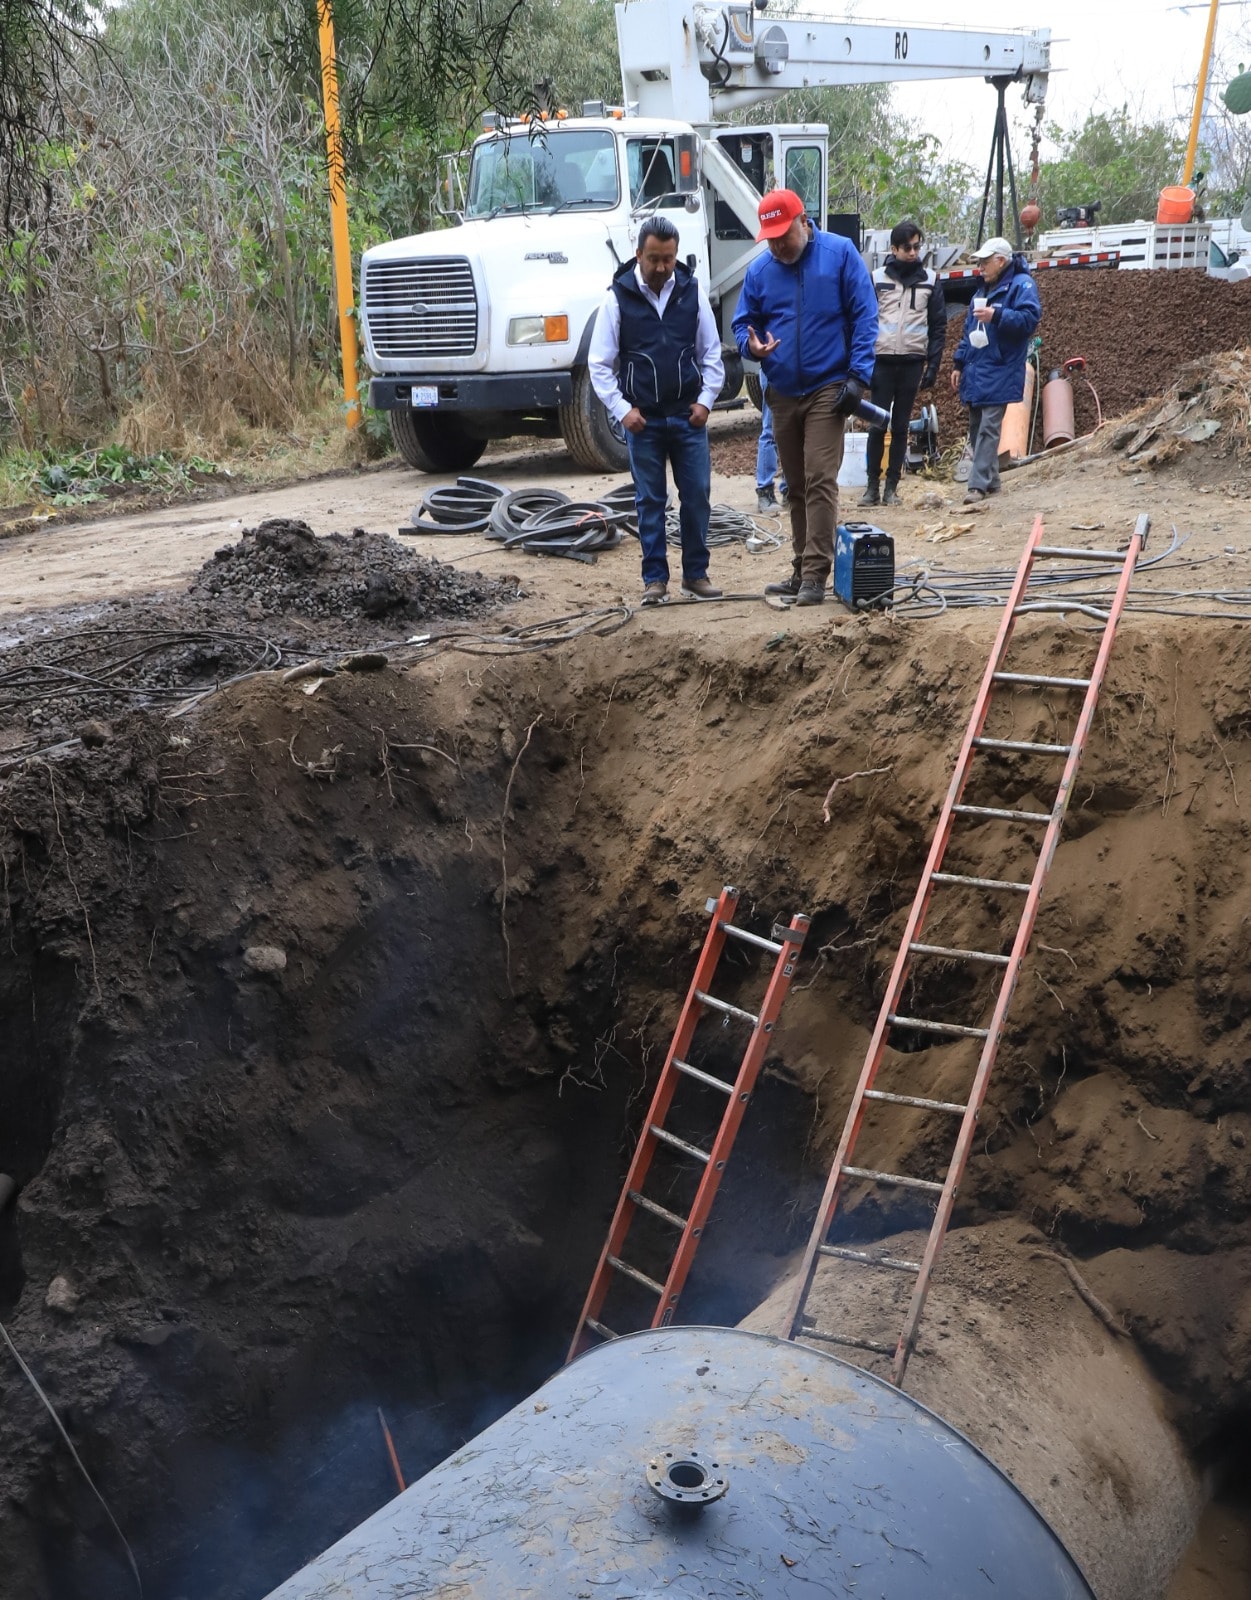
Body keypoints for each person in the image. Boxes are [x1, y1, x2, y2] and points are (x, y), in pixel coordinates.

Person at [732, 189, 878, 606]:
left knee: (818, 477)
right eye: (771, 238)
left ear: (804, 222)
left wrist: (857, 377)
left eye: (784, 235)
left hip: (827, 386)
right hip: (781, 391)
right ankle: (801, 566)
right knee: (794, 484)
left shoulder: (840, 254)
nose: (778, 245)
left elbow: (865, 315)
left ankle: (816, 573)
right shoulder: (761, 271)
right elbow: (743, 322)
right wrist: (751, 345)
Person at [588, 215, 725, 605]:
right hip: (643, 421)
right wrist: (622, 410)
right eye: (654, 259)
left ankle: (695, 576)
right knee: (650, 501)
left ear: (676, 254)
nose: (662, 267)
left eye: (668, 259)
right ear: (638, 255)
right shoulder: (616, 299)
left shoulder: (691, 292)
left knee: (697, 495)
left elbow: (711, 353)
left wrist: (706, 401)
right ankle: (655, 580)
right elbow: (599, 364)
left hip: (688, 417)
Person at [950, 235, 1041, 504]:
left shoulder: (1022, 285)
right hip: (977, 369)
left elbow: (1029, 319)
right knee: (976, 427)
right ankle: (993, 482)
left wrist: (997, 315)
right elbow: (969, 332)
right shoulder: (981, 291)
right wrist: (958, 362)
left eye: (985, 262)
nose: (980, 267)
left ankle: (976, 486)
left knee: (989, 427)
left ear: (1001, 261)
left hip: (1002, 367)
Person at [861, 219, 946, 507]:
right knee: (876, 425)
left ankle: (891, 489)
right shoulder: (876, 279)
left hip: (911, 364)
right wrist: (860, 364)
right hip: (881, 363)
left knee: (900, 427)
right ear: (894, 249)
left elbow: (938, 326)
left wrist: (932, 366)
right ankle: (872, 487)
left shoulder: (931, 281)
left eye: (917, 247)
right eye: (907, 247)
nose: (913, 253)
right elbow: (863, 321)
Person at [755, 374, 788, 513]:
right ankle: (765, 491)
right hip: (775, 370)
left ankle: (790, 490)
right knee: (770, 430)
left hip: (800, 371)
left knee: (796, 431)